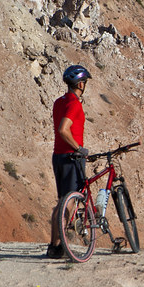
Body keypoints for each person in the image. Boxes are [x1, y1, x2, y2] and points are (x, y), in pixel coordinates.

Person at [47, 64, 91, 258]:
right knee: (69, 203)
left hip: (58, 156)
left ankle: (54, 246)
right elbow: (63, 129)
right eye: (85, 82)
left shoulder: (59, 101)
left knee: (62, 202)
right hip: (71, 157)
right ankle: (58, 248)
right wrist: (78, 149)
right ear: (80, 84)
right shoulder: (74, 104)